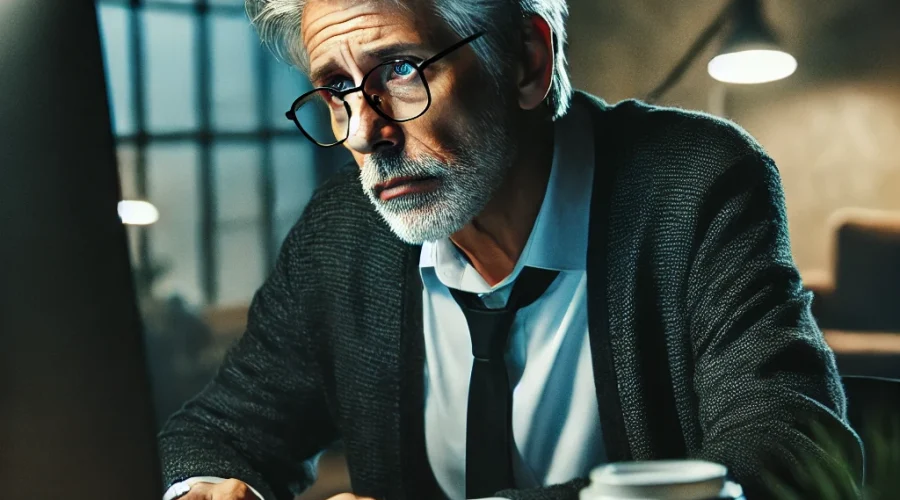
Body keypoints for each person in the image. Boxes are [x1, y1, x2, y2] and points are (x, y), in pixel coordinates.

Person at [159, 0, 863, 499]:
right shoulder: (343, 232)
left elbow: (789, 449)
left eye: (400, 69)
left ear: (529, 58)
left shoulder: (695, 182)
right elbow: (222, 429)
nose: (363, 132)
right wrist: (213, 489)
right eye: (337, 87)